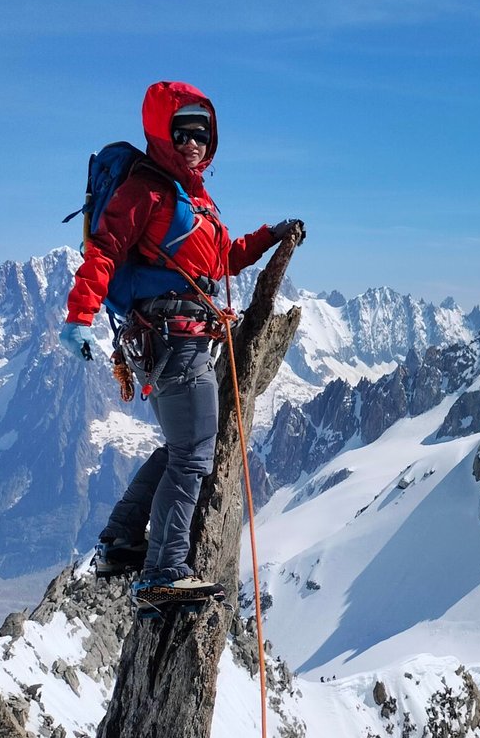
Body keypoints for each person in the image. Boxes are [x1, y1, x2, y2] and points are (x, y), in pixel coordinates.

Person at [60, 81, 305, 599]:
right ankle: (164, 570)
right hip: (174, 343)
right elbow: (104, 249)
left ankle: (122, 539)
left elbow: (222, 260)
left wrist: (268, 236)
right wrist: (79, 315)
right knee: (193, 455)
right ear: (161, 132)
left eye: (202, 134)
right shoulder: (147, 191)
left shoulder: (191, 197)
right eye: (183, 133)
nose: (193, 143)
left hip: (175, 342)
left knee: (181, 447)